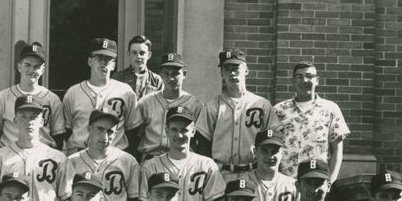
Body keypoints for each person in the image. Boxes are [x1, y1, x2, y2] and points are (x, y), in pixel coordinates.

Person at [0, 94, 72, 201]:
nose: (29, 122)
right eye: (23, 117)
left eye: (33, 117)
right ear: (15, 120)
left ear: (42, 122)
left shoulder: (58, 158)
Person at [139, 105, 224, 201]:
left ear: (193, 131)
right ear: (166, 131)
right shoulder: (151, 167)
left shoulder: (207, 165)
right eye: (174, 129)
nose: (179, 135)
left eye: (184, 130)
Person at [193, 48, 271, 176]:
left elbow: (271, 141)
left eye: (236, 68)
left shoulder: (262, 105)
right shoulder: (212, 107)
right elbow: (203, 147)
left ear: (246, 70)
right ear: (221, 73)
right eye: (227, 69)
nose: (232, 73)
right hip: (220, 173)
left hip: (253, 173)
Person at [266, 61, 350, 181]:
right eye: (299, 77)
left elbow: (337, 149)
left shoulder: (330, 109)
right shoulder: (279, 110)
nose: (304, 80)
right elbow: (270, 148)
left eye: (309, 76)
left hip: (317, 183)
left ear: (317, 80)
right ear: (293, 81)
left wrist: (330, 181)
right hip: (284, 183)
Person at [61, 38, 142, 155]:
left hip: (115, 155)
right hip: (79, 155)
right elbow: (66, 131)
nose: (103, 62)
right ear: (89, 61)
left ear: (113, 65)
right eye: (99, 58)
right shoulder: (73, 92)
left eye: (108, 59)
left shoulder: (125, 92)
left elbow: (132, 132)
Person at [66, 109, 143, 201]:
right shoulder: (72, 162)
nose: (105, 137)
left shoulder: (128, 161)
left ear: (116, 133)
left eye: (110, 131)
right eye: (100, 129)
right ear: (89, 129)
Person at [0, 42, 64, 149]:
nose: (32, 70)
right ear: (19, 67)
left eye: (37, 66)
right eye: (27, 65)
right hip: (10, 155)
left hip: (42, 156)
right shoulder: (3, 97)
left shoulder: (52, 99)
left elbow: (58, 135)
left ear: (43, 69)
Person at [134, 52, 203, 160]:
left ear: (184, 74)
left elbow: (200, 141)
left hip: (181, 161)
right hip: (151, 160)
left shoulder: (195, 105)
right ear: (160, 74)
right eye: (166, 73)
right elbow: (136, 136)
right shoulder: (146, 102)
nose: (171, 78)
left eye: (175, 73)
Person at [246, 129, 299, 201]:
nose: (270, 156)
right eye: (264, 151)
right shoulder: (243, 184)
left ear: (282, 153)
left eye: (274, 151)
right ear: (255, 152)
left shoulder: (293, 186)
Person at [112, 34, 163, 101]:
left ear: (149, 55)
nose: (138, 56)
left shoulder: (156, 80)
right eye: (134, 53)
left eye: (142, 53)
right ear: (128, 54)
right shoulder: (117, 78)